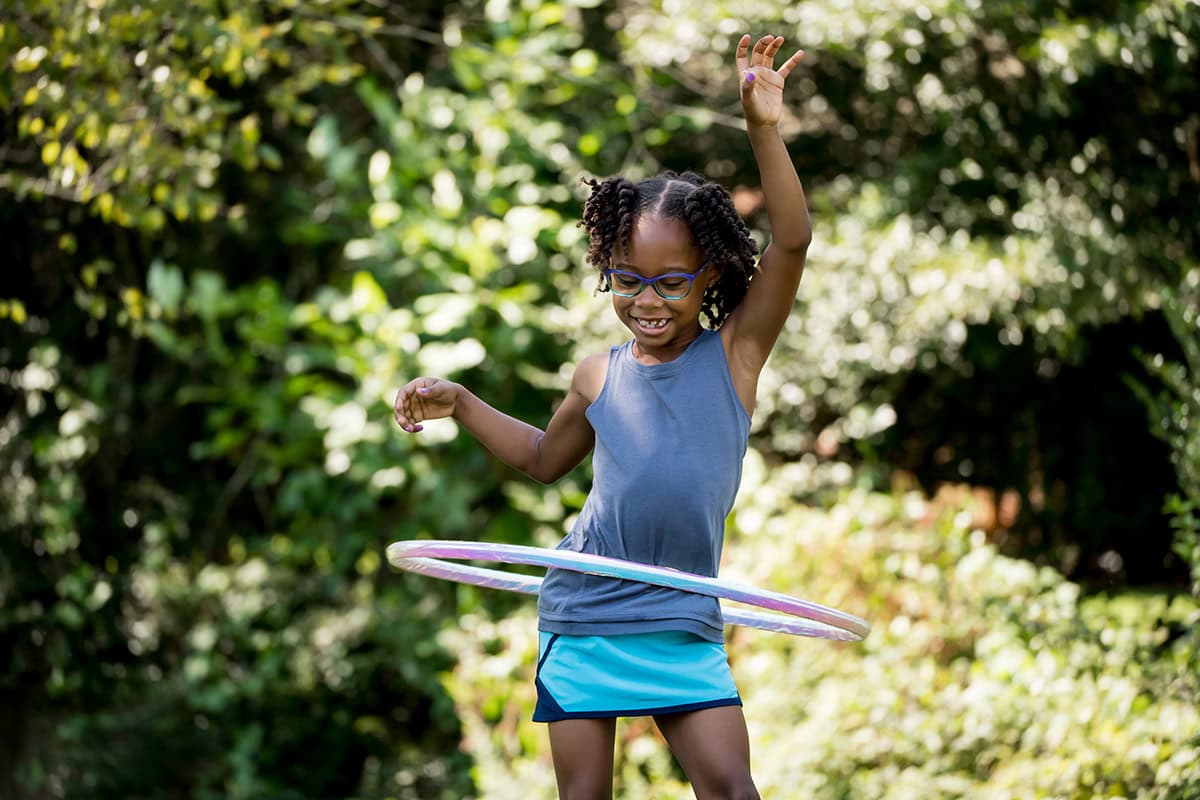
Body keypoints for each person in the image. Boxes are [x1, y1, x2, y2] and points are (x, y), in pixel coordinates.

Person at [393, 33, 811, 800]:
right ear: (607, 270)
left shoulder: (736, 357)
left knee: (732, 790)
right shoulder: (597, 374)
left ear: (711, 273)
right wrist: (460, 401)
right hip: (585, 610)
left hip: (682, 617)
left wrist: (761, 130)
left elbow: (792, 239)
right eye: (627, 280)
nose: (646, 302)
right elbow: (542, 458)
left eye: (671, 282)